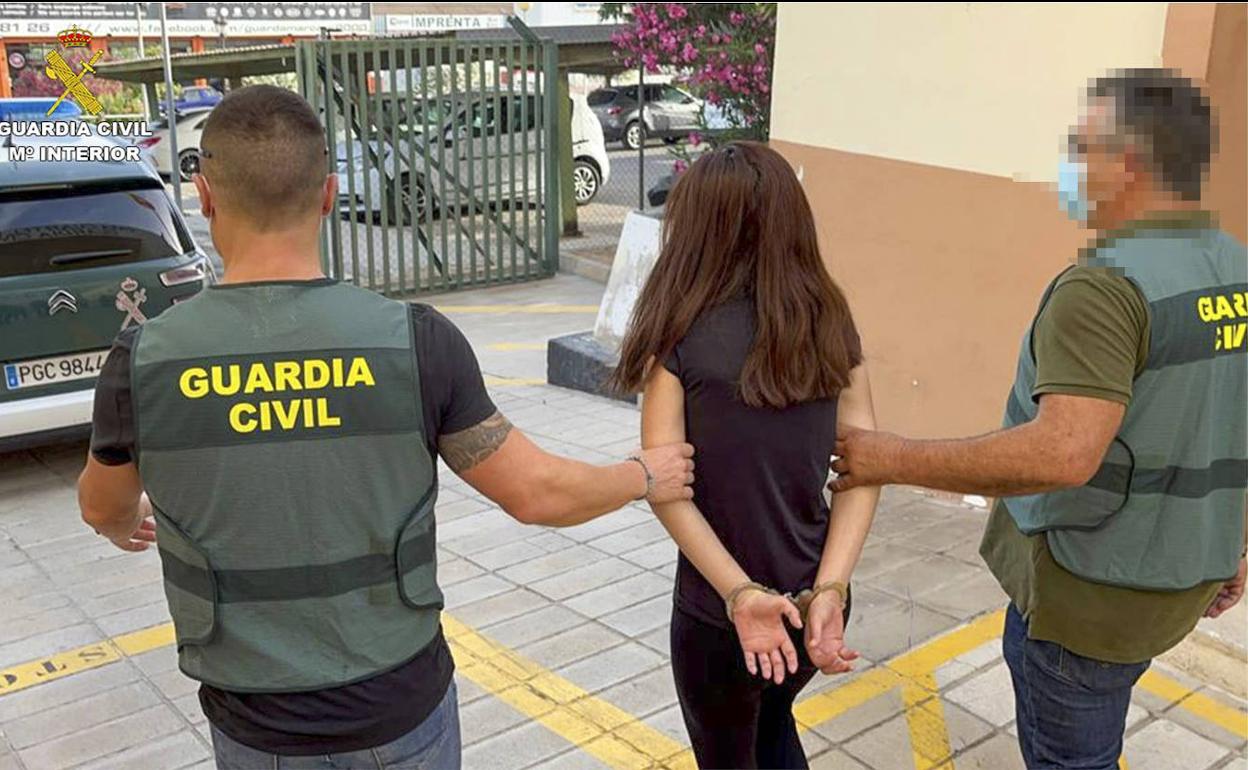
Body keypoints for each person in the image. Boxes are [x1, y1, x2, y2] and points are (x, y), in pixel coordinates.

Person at [76, 85, 696, 770]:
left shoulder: (142, 360)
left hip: (256, 723)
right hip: (400, 709)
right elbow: (537, 493)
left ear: (204, 195)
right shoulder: (415, 342)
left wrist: (125, 520)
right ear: (328, 195)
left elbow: (102, 508)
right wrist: (642, 474)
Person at [831, 69, 1247, 770]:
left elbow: (1061, 453)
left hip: (1092, 602)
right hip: (1180, 581)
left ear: (1129, 163)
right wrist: (1233, 543)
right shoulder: (1233, 266)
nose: (1070, 167)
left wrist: (889, 456)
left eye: (1081, 147)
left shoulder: (1106, 288)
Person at [612, 141, 882, 770]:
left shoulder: (676, 337)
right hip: (812, 602)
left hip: (722, 614)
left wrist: (738, 594)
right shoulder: (832, 325)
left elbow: (665, 487)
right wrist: (831, 588)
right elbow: (863, 468)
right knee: (774, 727)